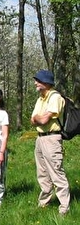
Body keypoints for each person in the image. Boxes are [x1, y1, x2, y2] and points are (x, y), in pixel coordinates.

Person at [30, 69, 70, 215]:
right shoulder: (41, 98)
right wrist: (37, 119)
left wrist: (38, 118)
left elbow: (43, 119)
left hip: (52, 138)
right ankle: (44, 203)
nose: (35, 83)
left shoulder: (55, 97)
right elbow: (32, 119)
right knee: (42, 173)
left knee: (56, 173)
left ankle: (64, 207)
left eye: (38, 81)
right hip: (40, 139)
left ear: (46, 83)